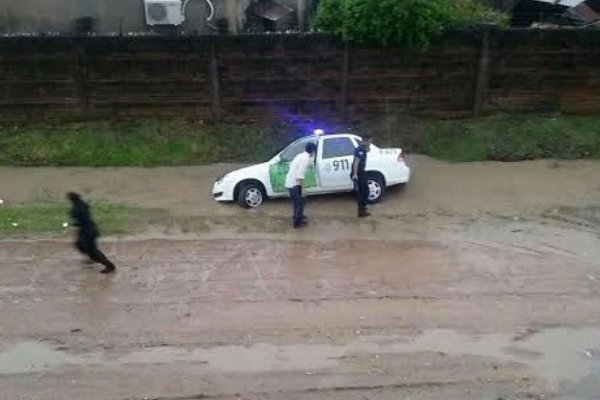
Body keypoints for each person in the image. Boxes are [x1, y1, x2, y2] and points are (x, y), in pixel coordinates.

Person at [67, 192, 116, 274]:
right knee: (81, 245)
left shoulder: (76, 209)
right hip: (91, 230)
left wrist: (73, 223)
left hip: (87, 232)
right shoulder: (83, 205)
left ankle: (109, 266)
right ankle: (96, 259)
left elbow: (80, 221)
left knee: (92, 251)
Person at [285, 142, 317, 228]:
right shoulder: (305, 159)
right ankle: (297, 223)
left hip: (291, 182)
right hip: (294, 183)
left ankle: (298, 217)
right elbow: (300, 175)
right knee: (299, 203)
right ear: (313, 151)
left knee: (298, 202)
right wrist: (303, 189)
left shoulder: (300, 155)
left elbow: (292, 166)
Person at [351, 135, 372, 217]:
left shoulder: (363, 148)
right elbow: (356, 162)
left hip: (361, 172)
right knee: (362, 192)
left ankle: (363, 208)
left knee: (365, 191)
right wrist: (355, 174)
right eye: (370, 142)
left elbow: (368, 150)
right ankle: (361, 211)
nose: (370, 143)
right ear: (366, 141)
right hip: (358, 174)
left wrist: (367, 147)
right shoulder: (360, 150)